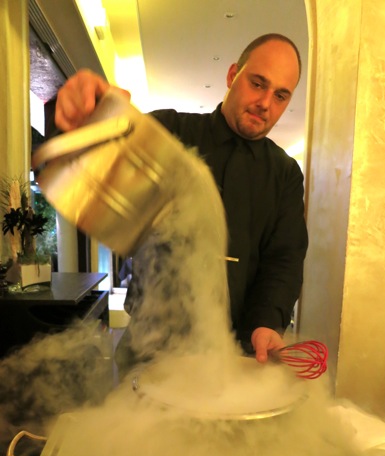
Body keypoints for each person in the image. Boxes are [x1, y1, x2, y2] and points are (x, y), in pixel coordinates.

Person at [53, 33, 308, 364]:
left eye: (281, 95)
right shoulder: (169, 133)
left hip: (238, 357)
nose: (265, 103)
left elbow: (284, 259)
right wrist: (87, 116)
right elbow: (93, 168)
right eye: (258, 84)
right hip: (151, 349)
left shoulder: (285, 174)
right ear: (233, 75)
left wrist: (267, 322)